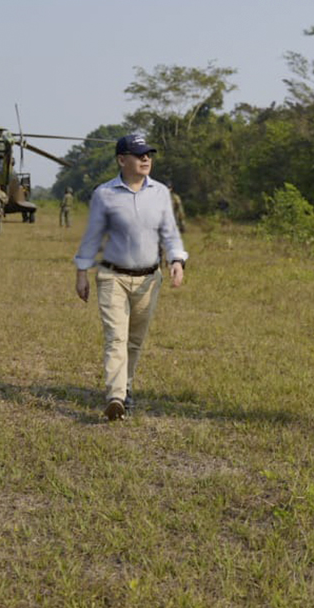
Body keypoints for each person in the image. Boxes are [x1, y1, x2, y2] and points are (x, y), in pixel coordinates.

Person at [74, 134, 187, 421]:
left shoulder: (160, 193)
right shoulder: (105, 194)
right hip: (113, 276)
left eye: (148, 154)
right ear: (122, 160)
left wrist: (176, 260)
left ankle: (126, 386)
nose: (146, 159)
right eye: (139, 154)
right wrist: (81, 273)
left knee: (134, 341)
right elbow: (92, 236)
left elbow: (170, 232)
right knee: (116, 338)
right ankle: (116, 396)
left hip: (149, 279)